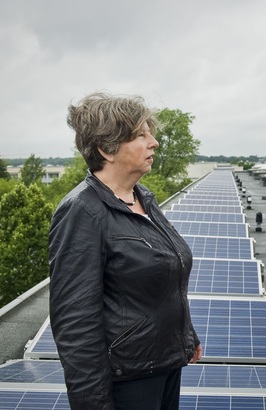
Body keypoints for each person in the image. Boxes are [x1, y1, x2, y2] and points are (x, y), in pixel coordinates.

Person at [48, 92, 202, 410]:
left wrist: (186, 337)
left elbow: (164, 277)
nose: (154, 142)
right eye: (141, 135)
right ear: (107, 149)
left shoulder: (142, 198)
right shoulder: (83, 212)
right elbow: (75, 323)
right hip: (128, 380)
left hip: (165, 366)